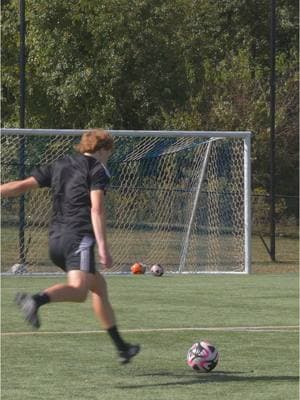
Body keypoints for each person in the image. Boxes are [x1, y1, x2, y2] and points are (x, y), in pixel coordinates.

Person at [0, 128, 140, 364]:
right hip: (78, 238)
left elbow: (23, 185)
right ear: (103, 149)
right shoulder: (98, 169)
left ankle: (122, 347)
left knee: (99, 287)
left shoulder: (60, 164)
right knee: (78, 291)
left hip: (56, 240)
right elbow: (97, 209)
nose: (109, 156)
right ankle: (34, 300)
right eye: (109, 152)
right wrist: (104, 248)